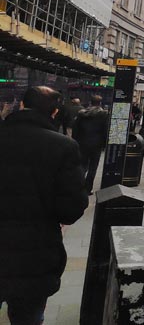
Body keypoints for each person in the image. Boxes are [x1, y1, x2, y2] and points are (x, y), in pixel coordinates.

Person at [0, 86, 88, 325]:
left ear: (21, 106)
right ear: (54, 112)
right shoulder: (63, 147)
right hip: (35, 253)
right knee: (27, 317)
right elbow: (72, 209)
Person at [72, 95, 110, 195]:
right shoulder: (103, 114)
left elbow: (75, 129)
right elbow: (105, 130)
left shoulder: (81, 114)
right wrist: (105, 143)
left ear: (90, 102)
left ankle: (77, 185)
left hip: (82, 142)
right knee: (93, 167)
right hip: (96, 144)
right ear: (100, 103)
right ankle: (88, 189)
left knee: (82, 165)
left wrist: (75, 140)